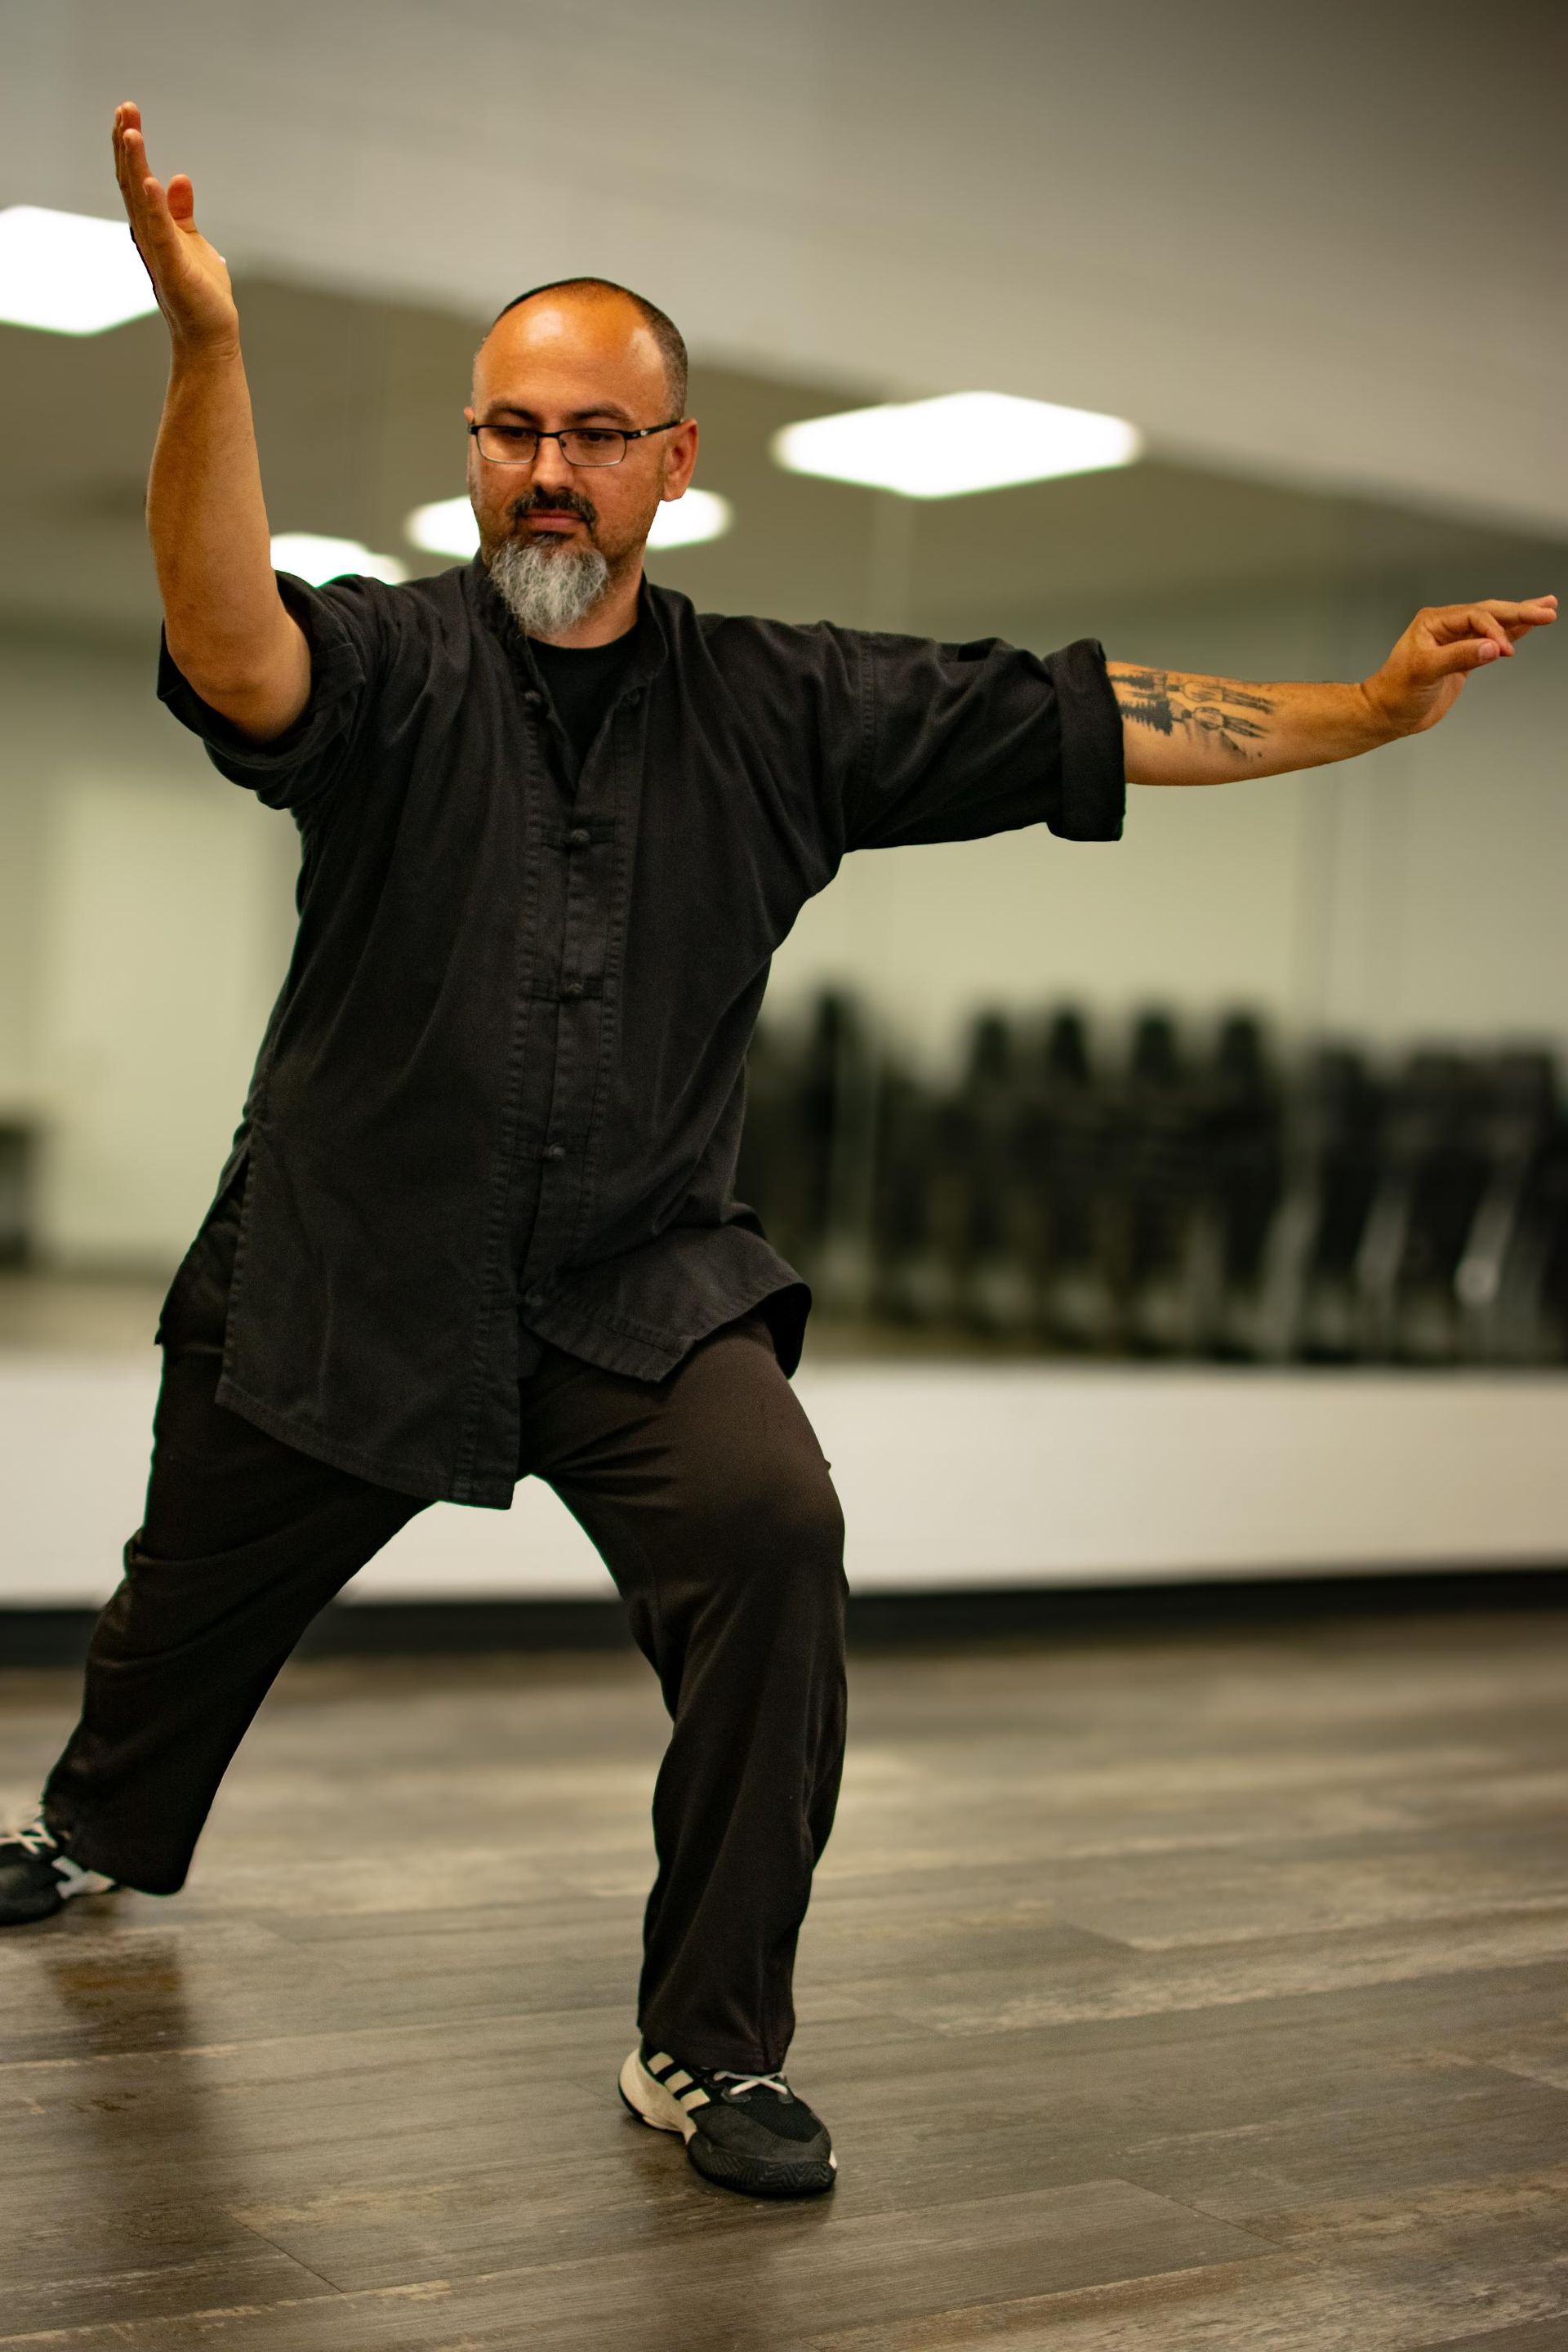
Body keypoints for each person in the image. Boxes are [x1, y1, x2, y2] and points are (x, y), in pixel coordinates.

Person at [0, 100, 1555, 2201]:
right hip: (354, 1261)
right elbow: (224, 641)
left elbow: (1083, 717)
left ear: (672, 463)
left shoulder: (787, 707)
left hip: (641, 1285)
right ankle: (93, 1828)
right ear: (476, 450)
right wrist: (205, 354)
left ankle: (705, 2047)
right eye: (510, 429)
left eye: (593, 433)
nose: (544, 468)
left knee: (775, 1538)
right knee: (181, 1605)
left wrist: (1362, 714)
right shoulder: (381, 667)